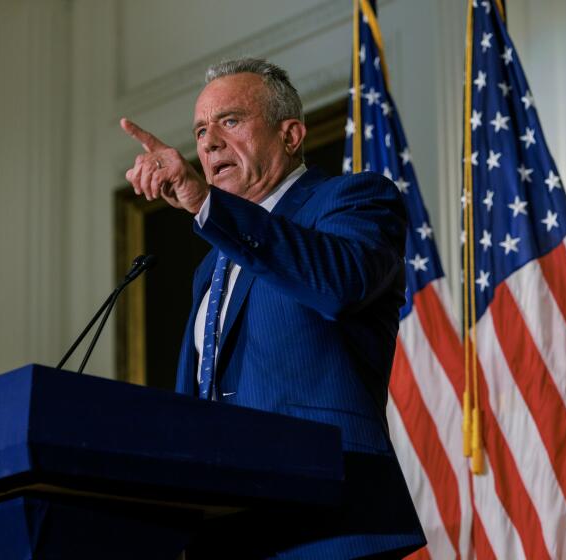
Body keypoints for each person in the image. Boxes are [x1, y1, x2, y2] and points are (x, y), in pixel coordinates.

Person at [121, 58, 425, 559]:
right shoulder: (210, 267)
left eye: (230, 121)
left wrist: (206, 206)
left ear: (290, 135)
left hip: (329, 523)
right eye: (201, 130)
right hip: (228, 532)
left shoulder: (353, 200)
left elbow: (338, 284)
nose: (209, 142)